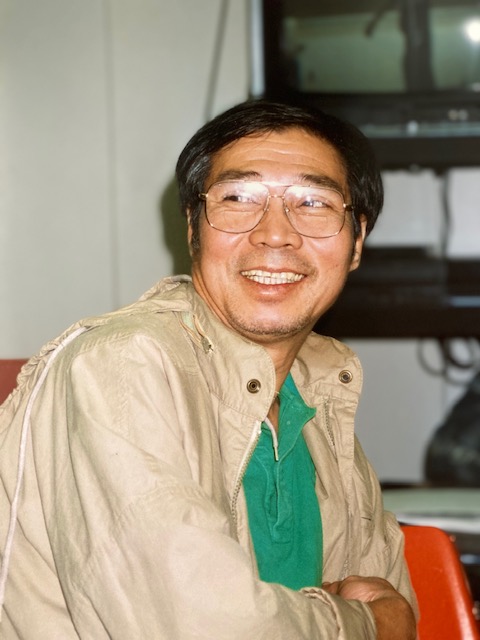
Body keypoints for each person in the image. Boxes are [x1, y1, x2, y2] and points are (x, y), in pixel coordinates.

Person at [0, 100, 417, 639]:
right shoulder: (119, 365)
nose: (275, 234)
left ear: (356, 241)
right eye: (238, 198)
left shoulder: (318, 391)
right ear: (193, 228)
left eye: (313, 202)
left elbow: (389, 591)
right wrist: (366, 626)